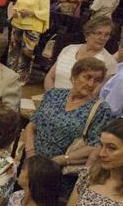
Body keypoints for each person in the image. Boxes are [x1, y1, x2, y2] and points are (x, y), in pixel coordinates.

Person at [24, 57, 112, 192]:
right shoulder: (54, 95)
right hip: (32, 165)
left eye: (97, 80)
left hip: (61, 175)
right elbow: (32, 126)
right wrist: (31, 155)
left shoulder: (101, 109)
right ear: (74, 76)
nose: (91, 84)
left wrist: (61, 160)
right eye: (87, 77)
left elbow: (95, 146)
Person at [44, 16, 117, 91]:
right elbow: (50, 77)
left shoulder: (109, 62)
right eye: (98, 33)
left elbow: (94, 94)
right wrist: (51, 97)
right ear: (88, 33)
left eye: (106, 35)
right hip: (52, 97)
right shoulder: (69, 49)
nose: (102, 38)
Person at [8, 0, 51, 83]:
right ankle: (10, 74)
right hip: (18, 22)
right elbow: (18, 4)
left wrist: (31, 13)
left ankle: (22, 77)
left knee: (26, 52)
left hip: (32, 26)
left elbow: (45, 11)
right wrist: (15, 11)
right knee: (13, 49)